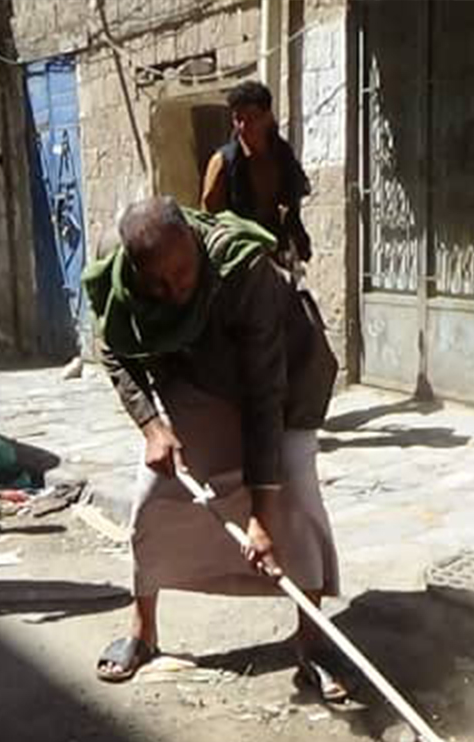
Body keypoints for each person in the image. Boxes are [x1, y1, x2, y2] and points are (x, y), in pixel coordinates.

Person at [85, 197, 345, 699]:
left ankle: (312, 642)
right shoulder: (117, 274)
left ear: (196, 246)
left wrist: (261, 516)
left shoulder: (243, 271)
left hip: (285, 375)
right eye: (158, 283)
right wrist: (152, 426)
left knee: (295, 491)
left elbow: (264, 398)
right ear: (136, 270)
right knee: (155, 496)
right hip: (196, 372)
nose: (175, 290)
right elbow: (113, 348)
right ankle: (143, 631)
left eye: (183, 273)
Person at [200, 80, 312, 268]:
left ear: (267, 117)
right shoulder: (222, 162)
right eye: (238, 119)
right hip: (237, 261)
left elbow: (291, 207)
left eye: (251, 118)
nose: (243, 127)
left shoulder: (282, 157)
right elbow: (209, 221)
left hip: (277, 255)